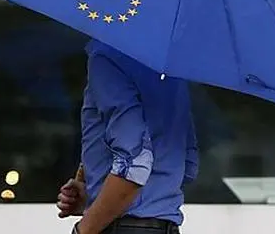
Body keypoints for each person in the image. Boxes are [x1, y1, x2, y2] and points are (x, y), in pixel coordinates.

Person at [56, 39, 199, 234]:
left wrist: (85, 229)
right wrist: (98, 198)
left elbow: (134, 165)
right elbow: (187, 166)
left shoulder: (106, 54)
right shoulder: (171, 66)